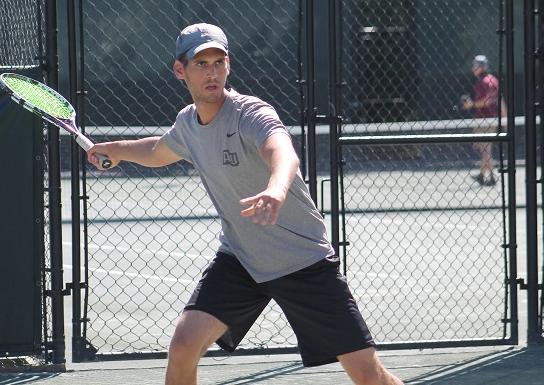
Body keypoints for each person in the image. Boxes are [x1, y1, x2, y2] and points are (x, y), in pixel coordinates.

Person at [87, 23, 404, 385]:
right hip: (241, 260)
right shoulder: (188, 123)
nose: (212, 72)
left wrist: (276, 190)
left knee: (369, 377)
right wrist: (117, 150)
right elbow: (159, 150)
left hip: (302, 260)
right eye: (201, 64)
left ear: (228, 65)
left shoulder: (251, 112)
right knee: (184, 346)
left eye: (218, 62)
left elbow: (282, 151)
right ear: (180, 70)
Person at [459, 54, 505, 187]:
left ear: (483, 67)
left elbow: (487, 101)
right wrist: (504, 116)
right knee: (485, 149)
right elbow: (500, 100)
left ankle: (492, 176)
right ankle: (482, 175)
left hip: (484, 120)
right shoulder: (493, 80)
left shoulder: (484, 82)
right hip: (490, 119)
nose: (473, 68)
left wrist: (471, 105)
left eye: (476, 65)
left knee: (485, 150)